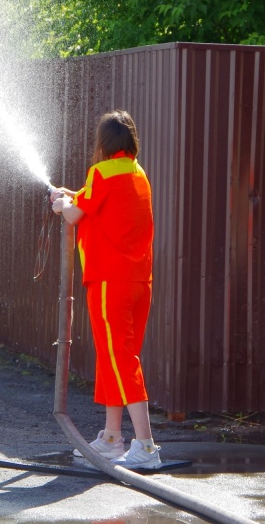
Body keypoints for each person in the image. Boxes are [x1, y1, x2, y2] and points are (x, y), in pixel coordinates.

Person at [50, 109, 160, 469]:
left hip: (109, 281)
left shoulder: (100, 172)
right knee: (118, 357)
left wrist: (63, 204)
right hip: (138, 282)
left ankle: (145, 445)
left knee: (121, 360)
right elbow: (94, 201)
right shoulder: (137, 173)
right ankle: (112, 438)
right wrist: (73, 196)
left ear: (103, 142)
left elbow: (75, 214)